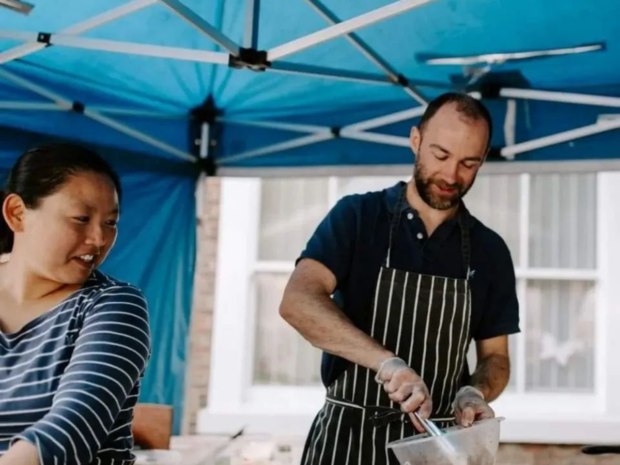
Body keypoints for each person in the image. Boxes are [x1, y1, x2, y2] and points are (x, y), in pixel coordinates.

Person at [280, 93, 520, 465]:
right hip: (347, 443)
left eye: (468, 163)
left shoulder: (490, 251)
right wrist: (388, 364)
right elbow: (298, 302)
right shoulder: (357, 218)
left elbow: (496, 357)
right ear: (416, 140)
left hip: (437, 449)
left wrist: (476, 392)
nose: (451, 176)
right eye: (440, 156)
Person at [0, 144, 151, 465]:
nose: (98, 239)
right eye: (81, 218)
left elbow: (69, 431)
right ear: (17, 213)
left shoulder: (113, 306)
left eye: (110, 222)